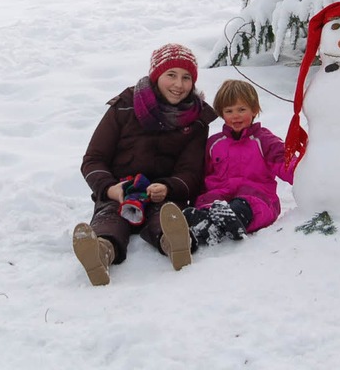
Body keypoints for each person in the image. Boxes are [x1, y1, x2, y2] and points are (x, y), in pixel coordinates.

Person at [73, 43, 217, 285]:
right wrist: (109, 188)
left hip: (164, 195)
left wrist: (168, 188)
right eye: (171, 75)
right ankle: (100, 251)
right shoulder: (125, 106)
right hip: (120, 191)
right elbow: (93, 159)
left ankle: (175, 244)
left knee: (166, 217)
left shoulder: (197, 120)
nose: (178, 85)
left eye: (186, 77)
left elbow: (191, 171)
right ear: (156, 75)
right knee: (110, 218)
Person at [182, 79, 295, 248]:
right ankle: (201, 224)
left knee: (245, 206)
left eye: (242, 109)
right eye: (229, 110)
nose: (235, 115)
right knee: (209, 205)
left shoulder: (264, 140)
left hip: (256, 197)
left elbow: (284, 162)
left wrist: (306, 174)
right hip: (219, 196)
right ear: (221, 113)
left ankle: (223, 222)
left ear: (254, 110)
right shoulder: (214, 143)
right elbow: (202, 175)